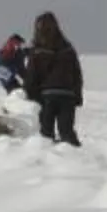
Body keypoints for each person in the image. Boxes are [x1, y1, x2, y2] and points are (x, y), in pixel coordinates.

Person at [26, 11, 84, 145]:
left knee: (46, 134)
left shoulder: (38, 50)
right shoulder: (68, 48)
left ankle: (48, 156)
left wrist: (30, 94)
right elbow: (77, 74)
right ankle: (76, 155)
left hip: (46, 96)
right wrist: (77, 96)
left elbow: (32, 75)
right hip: (67, 95)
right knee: (67, 131)